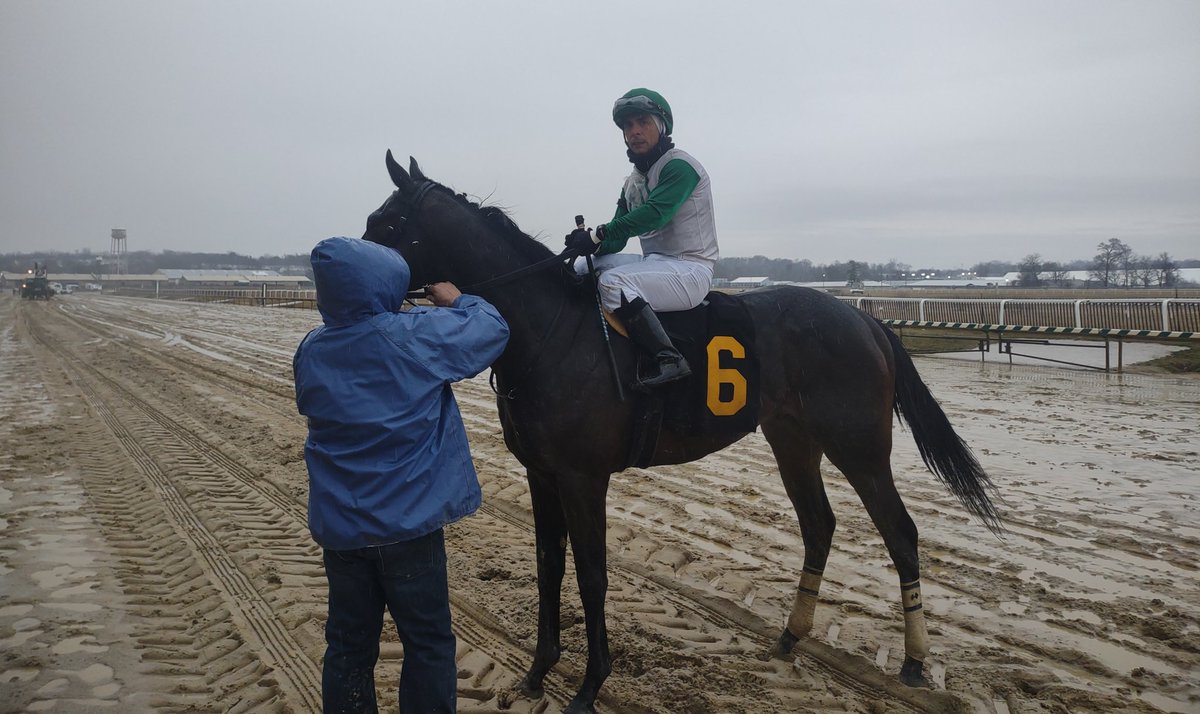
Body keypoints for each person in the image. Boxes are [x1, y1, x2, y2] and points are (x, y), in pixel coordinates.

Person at [293, 237, 509, 713]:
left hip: (342, 530)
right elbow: (491, 330)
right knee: (428, 643)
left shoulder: (311, 349)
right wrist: (457, 301)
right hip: (407, 528)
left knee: (348, 646)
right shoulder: (412, 336)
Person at [566, 87, 720, 387]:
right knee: (582, 268)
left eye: (642, 122)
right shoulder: (632, 182)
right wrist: (586, 243)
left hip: (691, 270)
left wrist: (600, 234)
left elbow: (654, 214)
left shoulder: (680, 167)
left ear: (661, 126)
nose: (634, 131)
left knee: (613, 283)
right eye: (627, 126)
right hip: (657, 264)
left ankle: (668, 357)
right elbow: (616, 237)